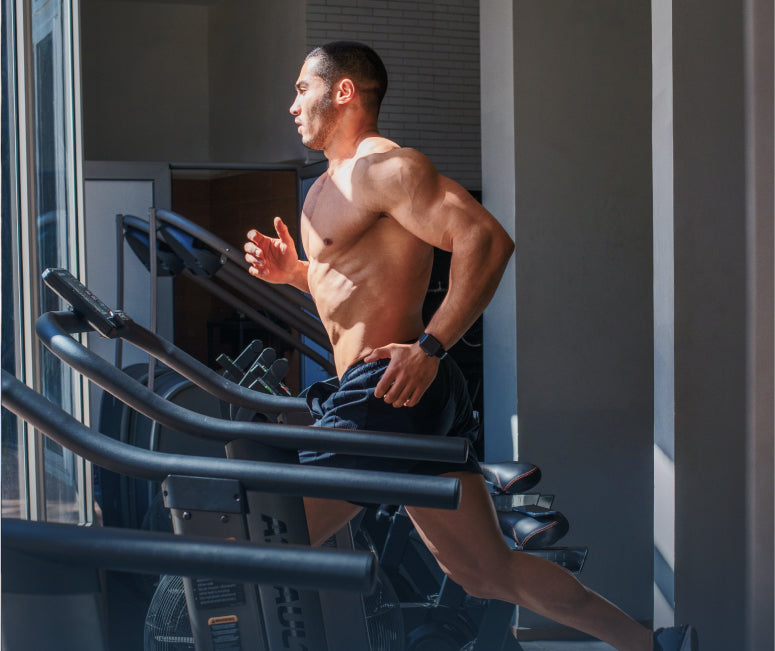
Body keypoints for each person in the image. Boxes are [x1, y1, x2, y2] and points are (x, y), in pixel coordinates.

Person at [244, 41, 698, 651]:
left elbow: (484, 239)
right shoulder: (326, 188)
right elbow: (357, 287)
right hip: (388, 395)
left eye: (303, 88)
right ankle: (656, 645)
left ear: (344, 91)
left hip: (386, 391)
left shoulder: (386, 169)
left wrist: (429, 348)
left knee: (272, 537)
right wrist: (294, 274)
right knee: (486, 572)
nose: (292, 103)